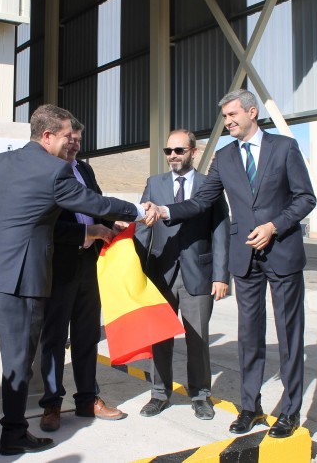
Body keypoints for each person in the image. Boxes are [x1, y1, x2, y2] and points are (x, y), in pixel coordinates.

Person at [0, 104, 157, 456]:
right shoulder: (55, 172)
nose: (71, 143)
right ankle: (14, 434)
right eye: (68, 135)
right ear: (47, 135)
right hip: (19, 276)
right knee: (19, 358)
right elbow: (92, 201)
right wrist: (140, 210)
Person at [152, 89, 316, 438]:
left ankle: (290, 411)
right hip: (246, 258)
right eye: (224, 117)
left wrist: (274, 226)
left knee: (289, 335)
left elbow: (306, 198)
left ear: (252, 112)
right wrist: (165, 210)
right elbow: (200, 202)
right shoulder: (223, 158)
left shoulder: (284, 148)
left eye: (231, 115)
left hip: (282, 251)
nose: (227, 122)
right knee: (249, 337)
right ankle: (249, 407)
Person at [38, 119, 127, 432]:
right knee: (53, 339)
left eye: (78, 139)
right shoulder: (45, 171)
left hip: (90, 264)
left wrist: (111, 224)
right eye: (70, 138)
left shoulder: (85, 170)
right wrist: (87, 230)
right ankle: (51, 404)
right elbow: (44, 224)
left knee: (87, 335)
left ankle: (88, 398)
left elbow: (97, 204)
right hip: (58, 266)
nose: (74, 144)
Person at [134, 129, 230, 420]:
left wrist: (221, 276)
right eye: (168, 151)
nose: (173, 156)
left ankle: (200, 395)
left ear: (193, 152)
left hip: (197, 274)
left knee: (197, 339)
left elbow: (221, 232)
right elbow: (142, 226)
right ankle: (159, 394)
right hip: (160, 273)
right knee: (160, 337)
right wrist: (135, 268)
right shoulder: (155, 184)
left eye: (179, 151)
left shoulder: (209, 185)